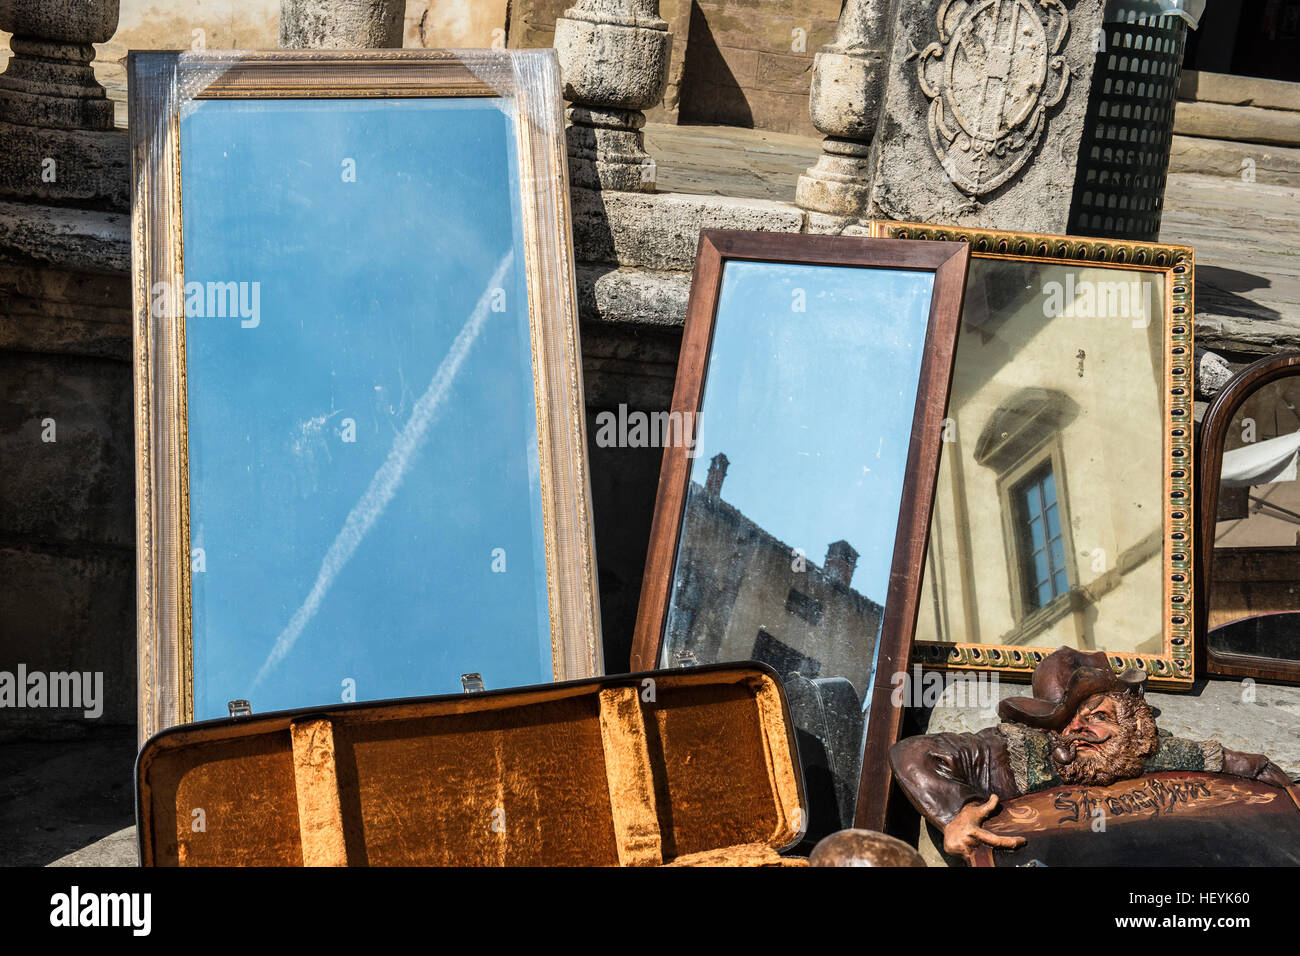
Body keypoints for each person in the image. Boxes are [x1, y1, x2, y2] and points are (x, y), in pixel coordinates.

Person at [889, 647, 1293, 864]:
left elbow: (1241, 764)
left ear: (1132, 723)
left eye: (1096, 715)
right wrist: (957, 813)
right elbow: (916, 751)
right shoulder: (1009, 753)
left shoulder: (1155, 751)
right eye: (1065, 721)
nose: (1077, 728)